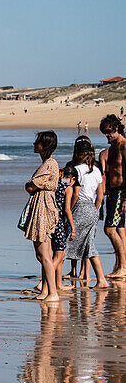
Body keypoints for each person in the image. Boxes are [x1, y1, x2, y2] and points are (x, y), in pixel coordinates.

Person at [18, 131, 61, 301]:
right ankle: (46, 290)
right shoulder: (48, 163)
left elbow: (32, 185)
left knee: (44, 254)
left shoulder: (49, 164)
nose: (35, 144)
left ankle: (52, 292)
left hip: (44, 209)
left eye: (38, 142)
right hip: (42, 207)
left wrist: (31, 185)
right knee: (42, 254)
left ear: (45, 145)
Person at [65, 136, 109, 288]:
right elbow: (101, 195)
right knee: (89, 245)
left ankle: (52, 282)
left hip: (80, 207)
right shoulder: (96, 170)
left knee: (65, 243)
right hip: (92, 208)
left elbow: (75, 194)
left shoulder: (76, 170)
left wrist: (69, 209)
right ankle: (101, 279)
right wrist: (95, 210)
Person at [99, 114, 126, 277]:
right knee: (120, 229)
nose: (107, 135)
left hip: (121, 192)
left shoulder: (123, 145)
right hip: (113, 192)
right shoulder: (114, 147)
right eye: (105, 133)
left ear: (116, 129)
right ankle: (120, 266)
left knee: (109, 230)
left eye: (109, 132)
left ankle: (123, 268)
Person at [47, 165, 76, 294]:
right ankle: (43, 282)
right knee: (60, 254)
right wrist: (73, 227)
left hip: (50, 220)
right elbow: (67, 209)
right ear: (71, 179)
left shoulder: (54, 184)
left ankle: (58, 284)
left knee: (56, 253)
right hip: (60, 222)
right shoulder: (68, 188)